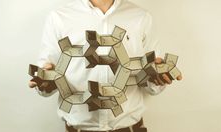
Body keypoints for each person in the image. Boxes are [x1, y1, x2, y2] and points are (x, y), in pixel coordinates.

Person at [29, 0, 182, 131]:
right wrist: (44, 82)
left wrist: (159, 77)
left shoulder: (141, 17)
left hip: (129, 128)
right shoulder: (59, 18)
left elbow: (152, 84)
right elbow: (45, 78)